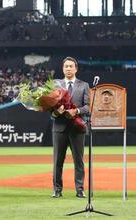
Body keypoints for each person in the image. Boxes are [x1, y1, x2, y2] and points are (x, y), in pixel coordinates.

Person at [51, 57, 90, 198]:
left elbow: (88, 106)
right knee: (57, 161)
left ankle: (80, 190)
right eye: (66, 66)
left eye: (71, 66)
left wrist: (77, 111)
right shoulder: (55, 85)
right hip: (59, 127)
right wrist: (56, 111)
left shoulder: (84, 85)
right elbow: (49, 108)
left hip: (77, 128)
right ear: (63, 68)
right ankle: (57, 190)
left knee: (79, 161)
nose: (68, 68)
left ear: (76, 68)